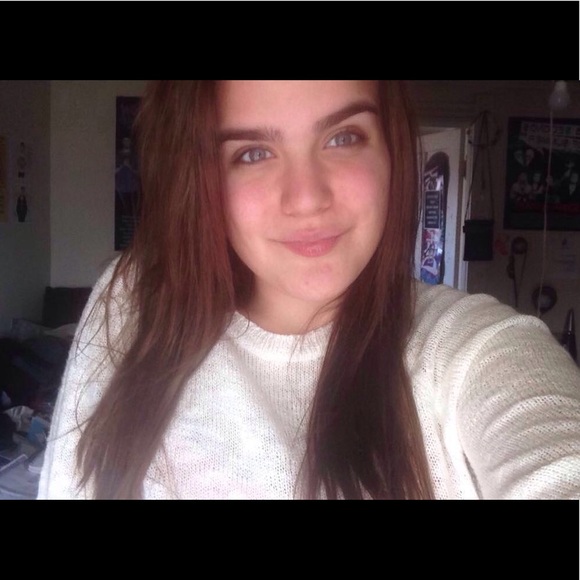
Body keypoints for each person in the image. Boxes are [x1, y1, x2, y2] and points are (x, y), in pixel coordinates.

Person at [38, 81, 580, 500]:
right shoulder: (136, 301)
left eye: (343, 137)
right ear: (201, 178)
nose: (306, 198)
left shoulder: (472, 347)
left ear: (391, 150)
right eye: (252, 152)